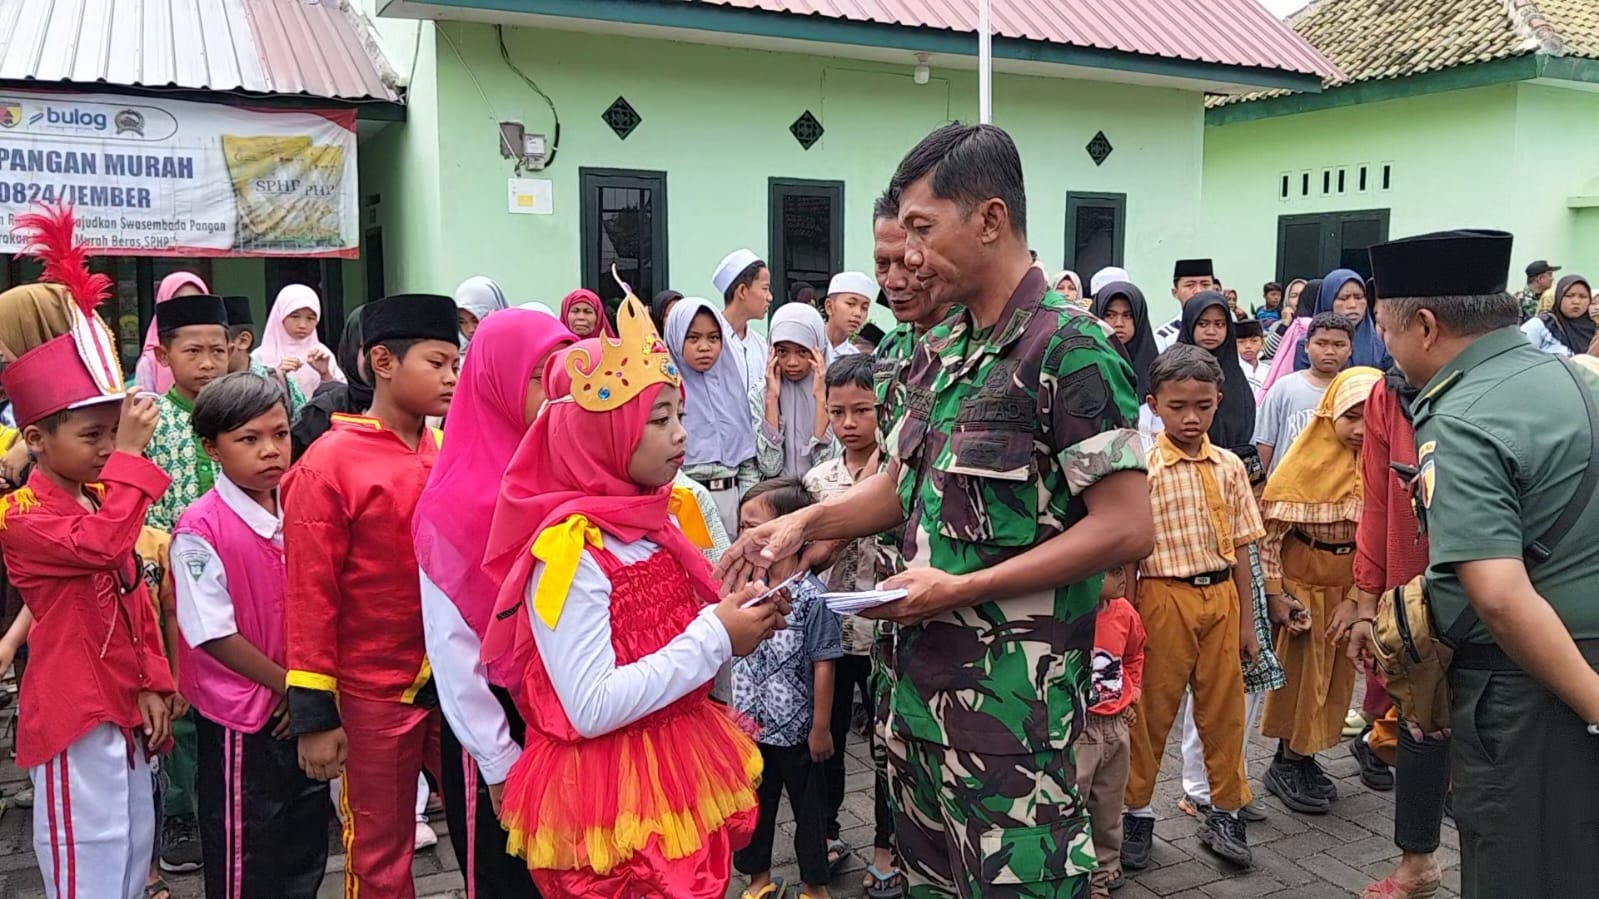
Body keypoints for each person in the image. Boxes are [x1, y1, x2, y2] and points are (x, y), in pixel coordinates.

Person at [719, 123, 1154, 897]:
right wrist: (801, 523)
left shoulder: (1069, 349)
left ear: (989, 219)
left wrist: (960, 589)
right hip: (915, 704)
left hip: (1010, 722)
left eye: (923, 228)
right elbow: (901, 483)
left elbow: (1124, 528)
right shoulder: (942, 344)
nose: (908, 254)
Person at [477, 291, 782, 898]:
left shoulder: (654, 523)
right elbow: (589, 703)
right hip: (612, 800)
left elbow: (675, 633)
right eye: (658, 419)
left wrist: (739, 611)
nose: (679, 435)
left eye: (680, 416)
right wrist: (717, 632)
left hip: (678, 763)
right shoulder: (572, 553)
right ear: (602, 433)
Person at [1372, 230, 1599, 898]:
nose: (1384, 343)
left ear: (1424, 324)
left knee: (1518, 869)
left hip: (1533, 686)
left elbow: (1497, 594)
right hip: (1574, 657)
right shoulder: (1565, 376)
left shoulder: (1465, 412)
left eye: (1385, 328)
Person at [0, 228, 175, 898]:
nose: (106, 448)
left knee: (132, 854)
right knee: (89, 868)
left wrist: (155, 680)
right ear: (37, 439)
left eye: (113, 432)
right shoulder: (22, 514)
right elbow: (103, 547)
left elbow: (134, 592)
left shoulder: (101, 493)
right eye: (92, 435)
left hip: (124, 703)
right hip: (75, 710)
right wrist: (131, 450)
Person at [283, 293, 460, 899]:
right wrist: (315, 716)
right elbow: (310, 596)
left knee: (487, 827)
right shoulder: (329, 464)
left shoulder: (448, 452)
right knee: (381, 853)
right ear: (382, 360)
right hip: (372, 692)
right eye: (437, 363)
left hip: (457, 680)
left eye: (455, 364)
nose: (450, 376)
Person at [413, 309, 574, 895]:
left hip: (573, 712)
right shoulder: (456, 500)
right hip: (498, 723)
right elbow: (454, 651)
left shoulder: (571, 471)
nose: (558, 390)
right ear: (496, 382)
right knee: (509, 875)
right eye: (539, 376)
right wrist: (498, 760)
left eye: (564, 372)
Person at [171, 372, 330, 898]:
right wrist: (291, 685)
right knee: (246, 849)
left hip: (299, 700)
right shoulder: (200, 528)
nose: (271, 451)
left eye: (280, 434)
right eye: (249, 439)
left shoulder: (301, 505)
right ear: (211, 448)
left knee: (305, 840)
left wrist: (305, 688)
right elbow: (212, 633)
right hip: (242, 713)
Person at [1122, 344, 1264, 871]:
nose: (1190, 417)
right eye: (1178, 406)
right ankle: (1135, 811)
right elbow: (1132, 554)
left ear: (1218, 401)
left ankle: (1226, 809)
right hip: (1163, 597)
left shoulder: (1229, 465)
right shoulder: (1144, 467)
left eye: (1202, 406)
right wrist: (1132, 620)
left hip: (1222, 595)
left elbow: (1245, 545)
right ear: (1154, 404)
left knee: (1224, 710)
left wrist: (1250, 621)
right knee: (1151, 710)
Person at [1258, 366, 1382, 814]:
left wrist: (1356, 599)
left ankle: (1304, 757)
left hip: (1348, 590)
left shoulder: (1381, 467)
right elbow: (1270, 535)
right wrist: (1276, 592)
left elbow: (1379, 539)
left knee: (1333, 680)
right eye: (1350, 416)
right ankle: (1287, 761)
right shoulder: (1302, 464)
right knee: (1302, 678)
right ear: (1329, 413)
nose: (1358, 429)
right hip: (1302, 587)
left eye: (1370, 418)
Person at [1346, 368, 1447, 899]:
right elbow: (1378, 501)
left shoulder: (1504, 384)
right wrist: (1366, 603)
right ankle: (1419, 861)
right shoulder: (1390, 393)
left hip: (1501, 584)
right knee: (1419, 722)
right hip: (1414, 598)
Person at [141, 292, 230, 874]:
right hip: (170, 582)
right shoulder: (149, 419)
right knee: (182, 695)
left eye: (218, 350)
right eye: (192, 351)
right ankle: (179, 810)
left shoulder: (245, 411)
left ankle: (230, 798)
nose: (207, 363)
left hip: (241, 572)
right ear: (165, 354)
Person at [801, 354, 891, 884]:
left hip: (885, 632)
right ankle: (827, 833)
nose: (851, 423)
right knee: (826, 738)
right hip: (828, 641)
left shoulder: (902, 474)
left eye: (863, 410)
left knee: (887, 743)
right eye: (838, 412)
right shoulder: (818, 482)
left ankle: (887, 845)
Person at [733, 479, 842, 899]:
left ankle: (815, 884)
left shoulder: (813, 597)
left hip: (797, 731)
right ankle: (758, 881)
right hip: (749, 730)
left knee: (809, 813)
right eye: (742, 527)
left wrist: (820, 727)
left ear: (793, 534)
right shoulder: (743, 593)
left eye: (756, 528)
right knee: (753, 810)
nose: (747, 538)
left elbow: (824, 663)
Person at [1076, 566, 1144, 899]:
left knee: (1108, 811)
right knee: (1072, 805)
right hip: (1080, 730)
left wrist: (1131, 693)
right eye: (1113, 571)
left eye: (1125, 570)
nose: (1124, 578)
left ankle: (1101, 880)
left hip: (1116, 728)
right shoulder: (1072, 618)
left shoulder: (1125, 614)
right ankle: (1072, 873)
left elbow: (1134, 656)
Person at [668, 298, 761, 535]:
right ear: (676, 339)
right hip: (683, 502)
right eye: (693, 338)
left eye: (713, 338)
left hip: (731, 503)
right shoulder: (666, 397)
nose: (704, 346)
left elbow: (747, 462)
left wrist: (747, 515)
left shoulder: (732, 388)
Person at [1254, 313, 1354, 474]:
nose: (1329, 351)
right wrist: (1261, 487)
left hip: (1337, 490)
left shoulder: (1352, 390)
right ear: (1307, 346)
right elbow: (1265, 442)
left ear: (1350, 349)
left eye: (1339, 344)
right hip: (1287, 489)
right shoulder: (1284, 388)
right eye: (1321, 343)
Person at [1177, 292, 1261, 483]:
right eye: (1203, 324)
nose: (1211, 331)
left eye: (1220, 324)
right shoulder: (1175, 370)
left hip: (1232, 473)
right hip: (1185, 469)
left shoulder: (1237, 373)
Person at [755, 302, 835, 479]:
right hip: (777, 501)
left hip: (824, 499)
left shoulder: (836, 396)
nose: (792, 362)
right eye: (782, 352)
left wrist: (821, 399)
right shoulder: (758, 396)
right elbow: (769, 466)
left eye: (802, 352)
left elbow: (827, 469)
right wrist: (771, 399)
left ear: (819, 351)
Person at [289, 306, 369, 461]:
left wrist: (325, 375)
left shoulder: (417, 408)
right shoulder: (323, 412)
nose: (384, 360)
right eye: (368, 348)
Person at [1090, 280, 1159, 449]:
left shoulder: (1157, 372)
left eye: (1127, 315)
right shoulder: (1084, 365)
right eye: (1110, 315)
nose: (1119, 323)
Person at [252, 285, 343, 399]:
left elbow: (342, 395)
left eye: (310, 318)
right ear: (280, 315)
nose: (302, 325)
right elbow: (249, 398)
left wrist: (325, 375)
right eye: (295, 316)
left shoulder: (322, 354)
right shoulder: (260, 355)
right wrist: (276, 375)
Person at [223, 295, 307, 417]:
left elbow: (303, 431)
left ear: (243, 341)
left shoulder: (282, 384)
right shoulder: (201, 387)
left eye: (216, 348)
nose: (206, 360)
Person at [1293, 270, 1390, 371]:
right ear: (1328, 301)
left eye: (1359, 297)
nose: (1352, 305)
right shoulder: (1309, 344)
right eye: (1343, 298)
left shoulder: (1382, 343)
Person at [135, 272, 209, 394]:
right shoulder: (150, 362)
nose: (189, 308)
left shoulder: (220, 353)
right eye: (179, 302)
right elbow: (144, 406)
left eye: (197, 301)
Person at [714, 249, 774, 395]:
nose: (770, 297)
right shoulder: (713, 341)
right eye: (765, 289)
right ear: (742, 291)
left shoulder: (761, 345)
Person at [1261, 277, 1319, 384]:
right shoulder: (1278, 324)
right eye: (1294, 295)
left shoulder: (1321, 325)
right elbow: (1269, 351)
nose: (1298, 299)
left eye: (1302, 294)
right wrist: (1285, 325)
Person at [1521, 273, 1592, 356]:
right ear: (1559, 297)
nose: (1576, 301)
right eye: (1569, 296)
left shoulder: (1594, 329)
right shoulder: (1540, 325)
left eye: (1583, 297)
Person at [1153, 258, 1216, 350]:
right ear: (1175, 292)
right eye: (1190, 285)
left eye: (1205, 285)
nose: (1198, 291)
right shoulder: (1163, 337)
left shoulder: (1227, 331)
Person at [822, 272, 874, 360]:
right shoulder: (807, 346)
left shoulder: (855, 359)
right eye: (851, 304)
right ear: (829, 307)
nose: (858, 313)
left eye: (864, 308)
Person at [455, 275, 510, 344]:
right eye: (462, 322)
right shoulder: (455, 351)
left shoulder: (516, 345)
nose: (470, 329)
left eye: (476, 320)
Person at [1515, 258, 1559, 322]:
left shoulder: (1549, 297)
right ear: (1540, 278)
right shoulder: (1519, 300)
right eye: (1549, 274)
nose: (1552, 278)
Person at [1237, 319, 1268, 392]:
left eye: (1254, 341)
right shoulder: (1230, 371)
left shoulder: (1269, 371)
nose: (1248, 346)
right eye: (1241, 342)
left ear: (1262, 342)